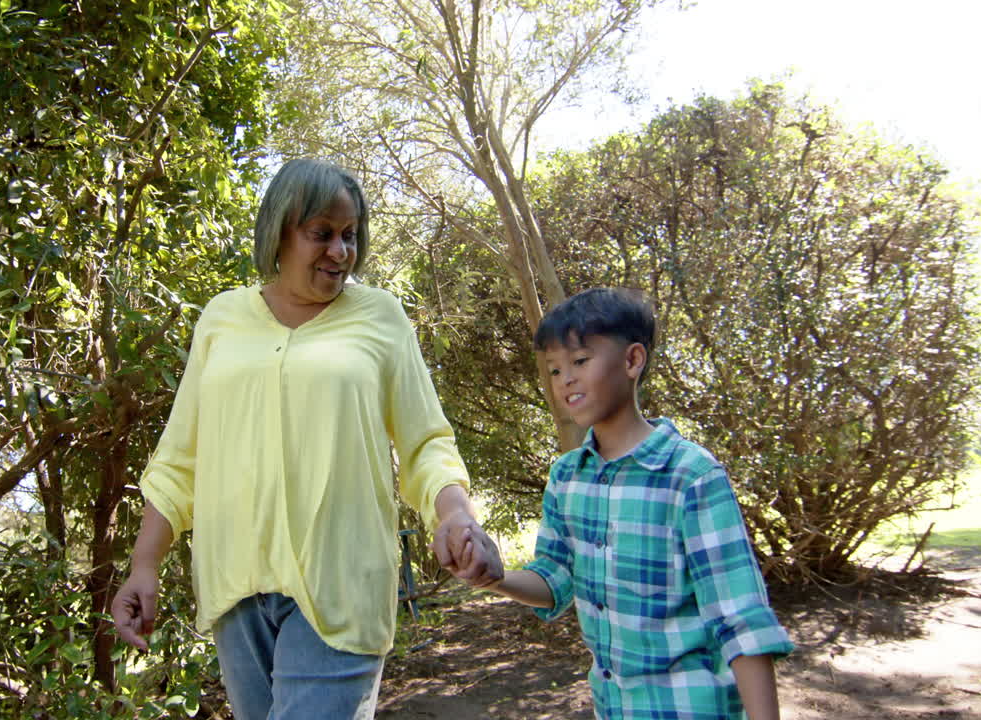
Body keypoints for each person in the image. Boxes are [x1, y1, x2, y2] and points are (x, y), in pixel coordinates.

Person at [110, 158, 501, 719]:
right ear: (280, 232)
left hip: (341, 583)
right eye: (322, 234)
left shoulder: (380, 317)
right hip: (235, 590)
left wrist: (455, 514)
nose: (340, 252)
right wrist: (144, 566)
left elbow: (424, 443)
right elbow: (180, 460)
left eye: (350, 236)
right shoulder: (223, 318)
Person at [440, 288, 793, 720]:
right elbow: (554, 580)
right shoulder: (567, 478)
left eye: (580, 362)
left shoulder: (690, 476)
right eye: (553, 369)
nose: (564, 379)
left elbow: (741, 620)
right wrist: (494, 577)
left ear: (632, 361)